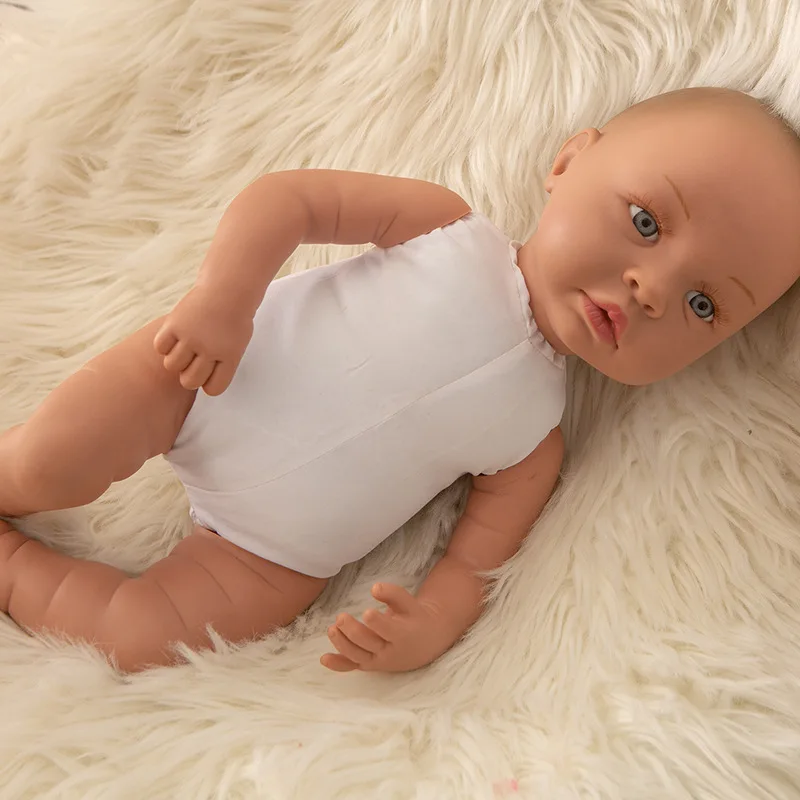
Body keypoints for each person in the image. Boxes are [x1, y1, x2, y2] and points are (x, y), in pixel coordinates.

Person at [1, 87, 799, 673]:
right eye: (647, 222)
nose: (652, 290)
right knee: (46, 462)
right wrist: (222, 302)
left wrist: (429, 629)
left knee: (145, 639)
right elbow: (289, 201)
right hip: (204, 375)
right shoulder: (446, 230)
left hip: (264, 555)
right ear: (568, 161)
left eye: (703, 304)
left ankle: (12, 569)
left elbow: (473, 567)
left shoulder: (535, 443)